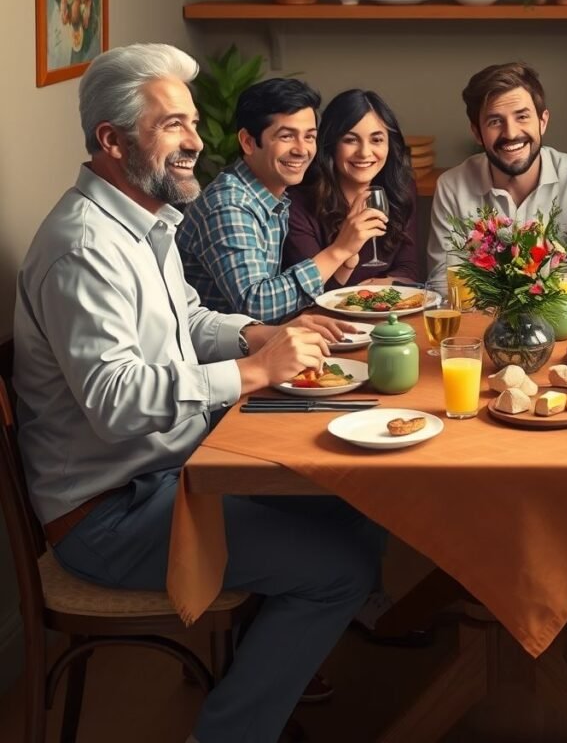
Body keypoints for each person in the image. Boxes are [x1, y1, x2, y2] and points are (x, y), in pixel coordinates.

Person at [13, 43, 382, 743]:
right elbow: (117, 401)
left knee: (359, 499)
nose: (196, 141)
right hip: (109, 514)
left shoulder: (144, 222)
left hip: (171, 475)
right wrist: (252, 374)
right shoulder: (83, 248)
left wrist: (257, 337)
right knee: (344, 568)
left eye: (192, 122)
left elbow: (188, 317)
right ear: (112, 140)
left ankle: (264, 681)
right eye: (173, 125)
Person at [179, 78, 384, 322]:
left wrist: (345, 260)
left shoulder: (272, 196)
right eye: (287, 136)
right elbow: (257, 305)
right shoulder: (230, 204)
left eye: (309, 137)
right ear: (248, 141)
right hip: (221, 356)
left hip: (259, 345)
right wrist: (339, 250)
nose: (302, 150)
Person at [426, 62, 567, 289]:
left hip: (560, 323)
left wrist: (513, 290)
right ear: (477, 133)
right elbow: (443, 282)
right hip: (480, 324)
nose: (511, 133)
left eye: (522, 117)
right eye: (495, 121)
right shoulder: (452, 186)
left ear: (543, 122)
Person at [284, 88, 419, 287]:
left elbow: (409, 269)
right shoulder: (297, 203)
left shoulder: (400, 189)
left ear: (390, 144)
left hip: (387, 313)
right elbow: (312, 294)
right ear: (331, 144)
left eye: (376, 140)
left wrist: (370, 293)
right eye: (350, 140)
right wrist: (346, 250)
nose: (364, 153)